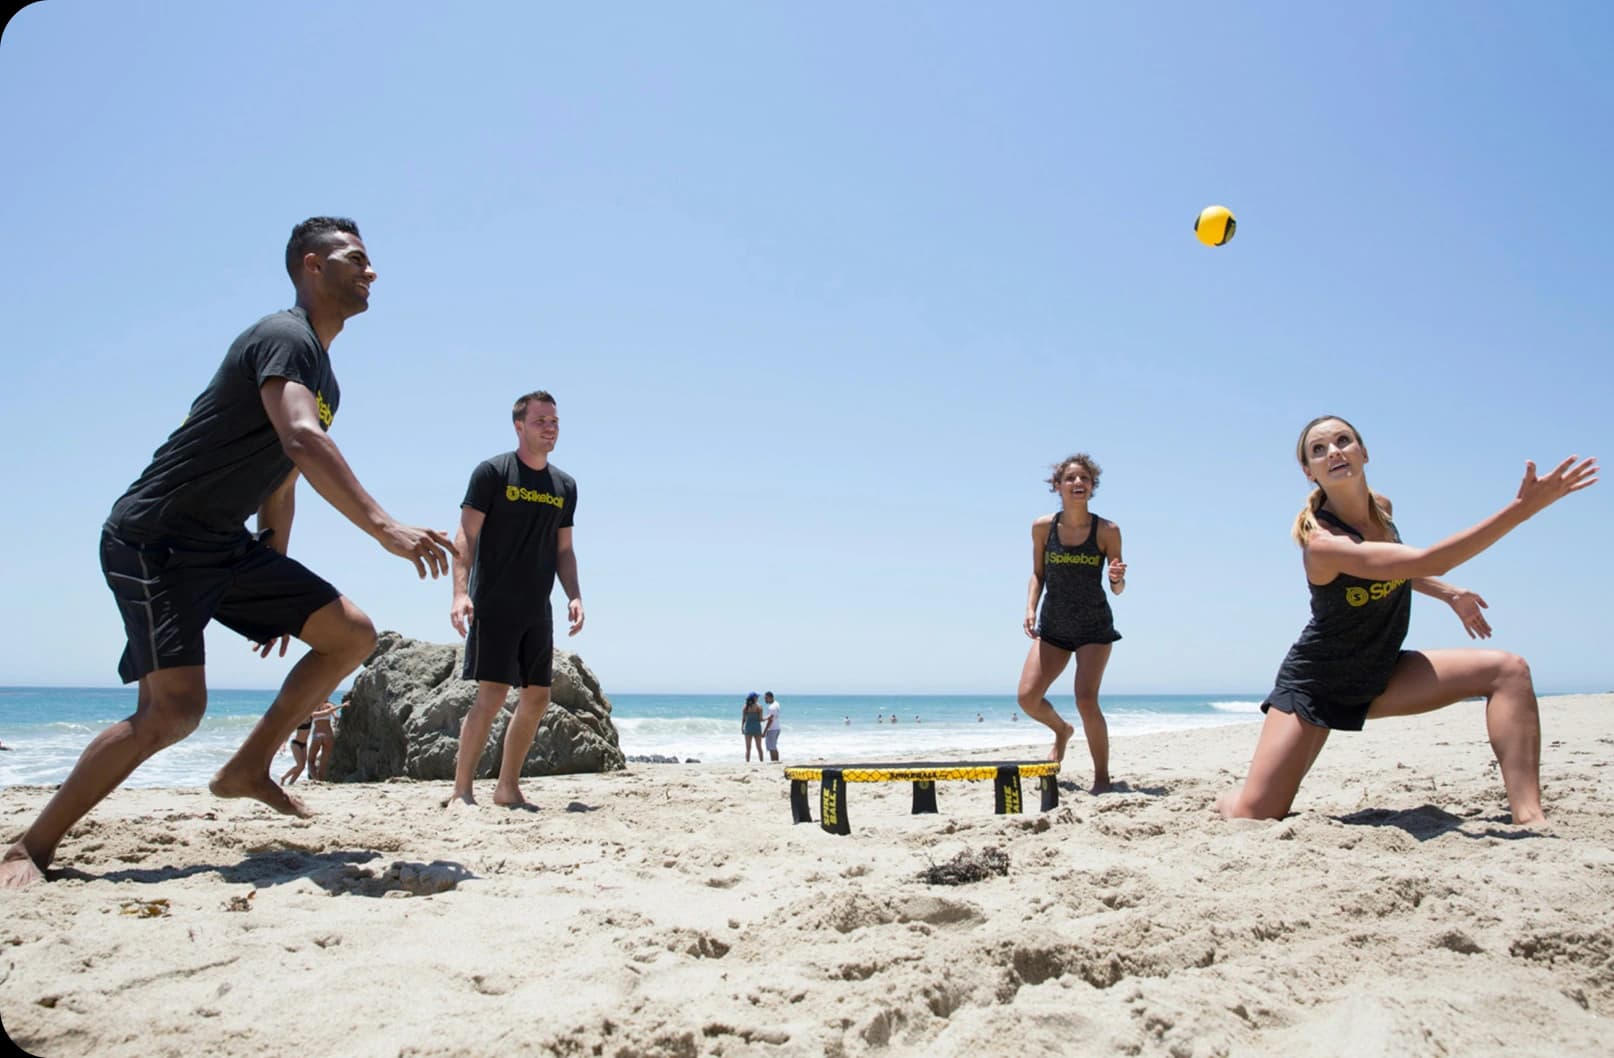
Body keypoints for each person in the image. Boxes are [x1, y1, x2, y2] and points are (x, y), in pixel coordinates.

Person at [0, 218, 453, 889]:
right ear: (312, 266)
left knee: (350, 634)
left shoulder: (324, 377)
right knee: (174, 711)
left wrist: (276, 578)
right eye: (355, 258)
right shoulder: (284, 336)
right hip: (156, 537)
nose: (371, 271)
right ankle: (29, 848)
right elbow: (301, 440)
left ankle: (248, 767)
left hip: (223, 544)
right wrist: (384, 526)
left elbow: (282, 476)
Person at [1218, 416, 1597, 825]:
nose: (1334, 452)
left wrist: (1449, 593)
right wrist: (1521, 511)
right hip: (1318, 684)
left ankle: (1530, 815)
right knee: (1254, 815)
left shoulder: (1382, 510)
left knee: (1509, 671)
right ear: (1309, 472)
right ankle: (1230, 796)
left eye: (1343, 441)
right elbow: (1426, 559)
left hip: (1383, 672)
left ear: (1364, 452)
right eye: (1319, 449)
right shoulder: (1324, 545)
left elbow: (1397, 569)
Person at [447, 391, 584, 809]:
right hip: (494, 601)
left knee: (538, 697)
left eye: (555, 421)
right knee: (491, 695)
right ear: (519, 426)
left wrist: (574, 595)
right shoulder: (492, 473)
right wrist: (459, 593)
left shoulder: (564, 486)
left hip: (536, 607)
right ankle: (461, 792)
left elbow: (564, 549)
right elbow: (466, 534)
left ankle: (507, 787)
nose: (550, 427)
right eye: (541, 420)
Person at [1016, 453, 1126, 792]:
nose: (1078, 483)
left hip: (1093, 627)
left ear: (1092, 487)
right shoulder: (1042, 527)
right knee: (1027, 698)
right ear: (1058, 486)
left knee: (1086, 699)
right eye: (1071, 479)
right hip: (1054, 624)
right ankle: (1062, 731)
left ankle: (1102, 779)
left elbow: (1118, 589)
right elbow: (1038, 573)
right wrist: (1030, 607)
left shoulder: (1107, 530)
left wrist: (1117, 578)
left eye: (1085, 479)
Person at [741, 693, 765, 762]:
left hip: (748, 728)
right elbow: (761, 719)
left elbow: (743, 719)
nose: (758, 698)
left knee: (748, 748)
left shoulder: (745, 707)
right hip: (757, 729)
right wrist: (767, 718)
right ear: (754, 698)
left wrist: (742, 728)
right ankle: (761, 761)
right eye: (757, 697)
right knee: (759, 747)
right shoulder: (759, 707)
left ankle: (747, 762)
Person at [762, 691, 782, 762]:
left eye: (766, 698)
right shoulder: (776, 704)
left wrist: (764, 731)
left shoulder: (772, 707)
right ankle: (776, 761)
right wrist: (764, 718)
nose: (765, 700)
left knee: (772, 747)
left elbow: (770, 720)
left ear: (770, 698)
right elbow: (772, 716)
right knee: (773, 746)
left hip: (772, 729)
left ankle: (774, 761)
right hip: (777, 728)